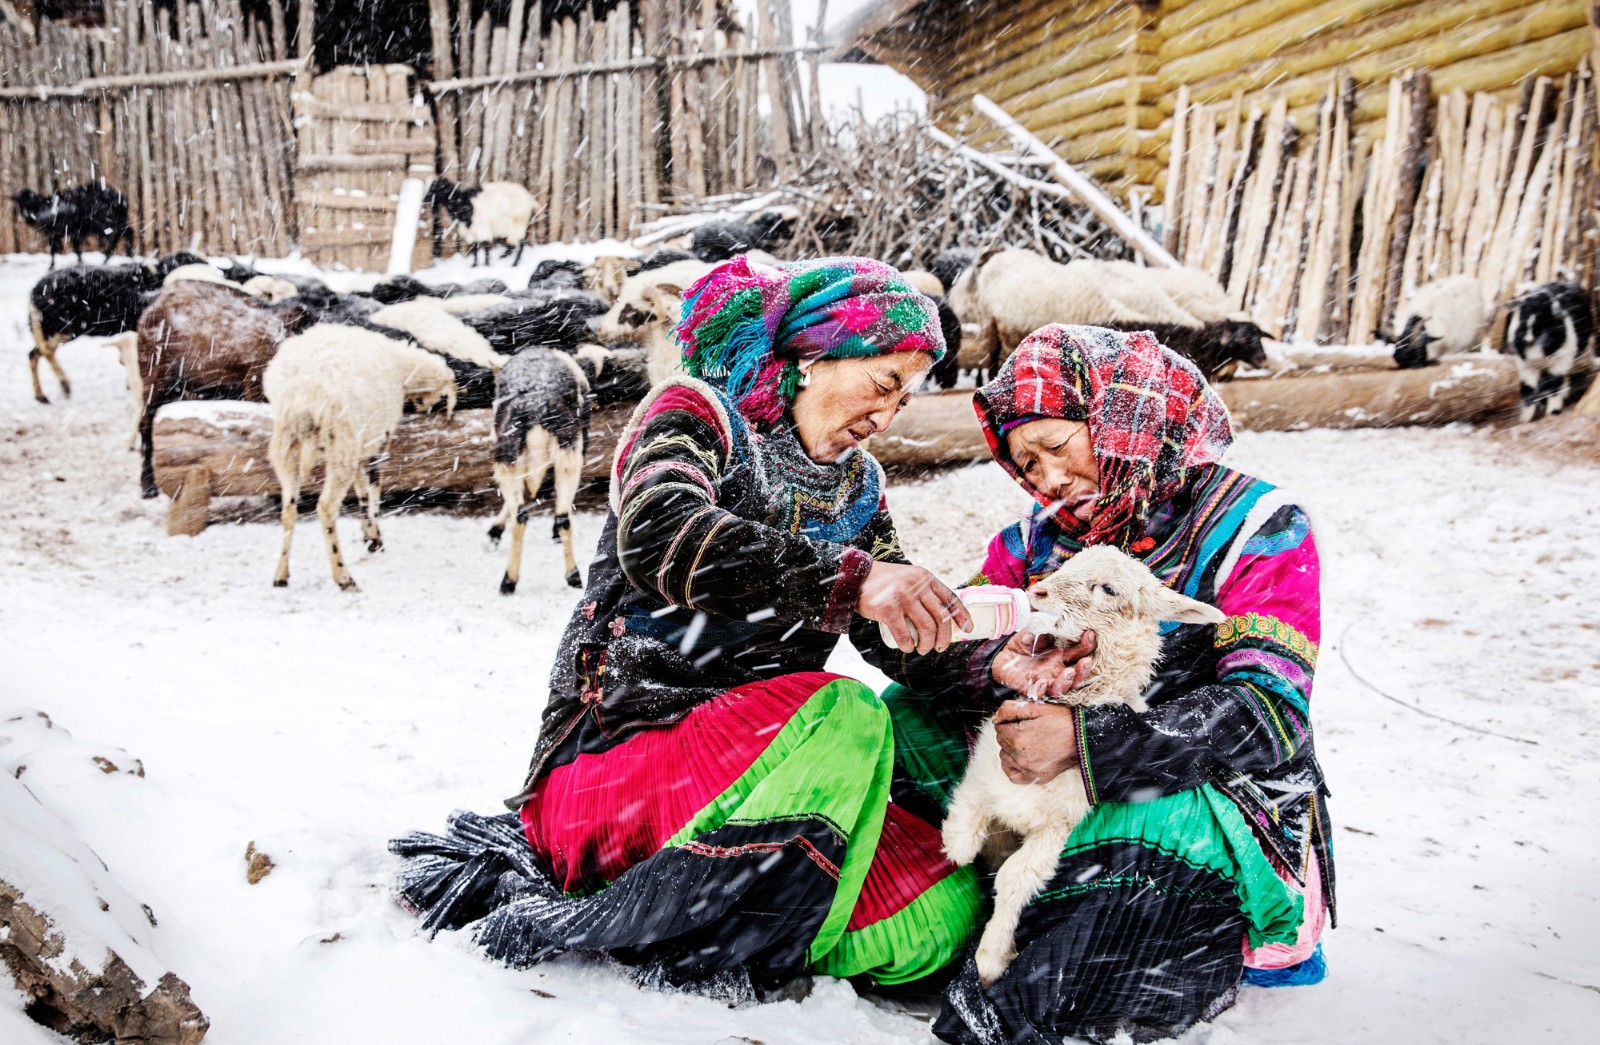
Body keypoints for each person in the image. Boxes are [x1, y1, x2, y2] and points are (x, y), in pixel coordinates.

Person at [391, 256, 987, 996]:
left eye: (906, 395)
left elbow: (897, 629)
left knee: (944, 910)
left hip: (770, 773)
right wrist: (852, 579)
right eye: (885, 382)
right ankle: (704, 928)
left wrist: (1003, 661)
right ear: (811, 357)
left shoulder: (857, 485)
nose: (890, 412)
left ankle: (730, 918)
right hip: (620, 765)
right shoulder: (696, 415)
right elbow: (660, 532)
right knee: (848, 714)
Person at [864, 324, 1334, 1044]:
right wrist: (998, 664)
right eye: (1026, 463)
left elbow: (1267, 712)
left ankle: (1033, 986)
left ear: (1122, 417)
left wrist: (1086, 742)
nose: (1047, 478)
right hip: (1052, 781)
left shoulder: (1257, 528)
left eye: (1057, 446)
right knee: (897, 721)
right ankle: (911, 910)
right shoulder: (1035, 542)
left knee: (1128, 848)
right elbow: (944, 639)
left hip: (1187, 783)